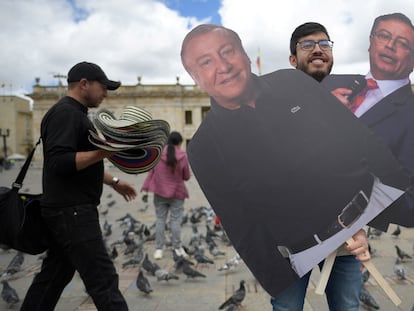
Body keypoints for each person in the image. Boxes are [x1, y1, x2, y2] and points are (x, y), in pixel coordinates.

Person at [180, 24, 407, 303]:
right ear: (195, 78)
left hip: (356, 220)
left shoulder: (293, 82)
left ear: (246, 56)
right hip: (293, 254)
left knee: (348, 305)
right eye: (206, 62)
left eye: (228, 52)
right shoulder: (204, 147)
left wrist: (376, 218)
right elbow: (242, 227)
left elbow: (360, 140)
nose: (223, 66)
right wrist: (279, 281)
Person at [267, 22, 369, 311]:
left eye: (324, 44)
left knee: (347, 308)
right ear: (292, 59)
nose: (317, 49)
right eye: (307, 44)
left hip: (346, 238)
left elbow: (368, 170)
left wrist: (363, 226)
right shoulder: (268, 107)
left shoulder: (356, 106)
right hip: (289, 242)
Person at [21, 61, 137, 311]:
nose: (105, 94)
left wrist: (114, 181)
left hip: (64, 209)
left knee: (53, 277)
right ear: (84, 84)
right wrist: (105, 150)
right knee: (103, 280)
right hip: (72, 212)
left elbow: (79, 161)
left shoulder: (72, 113)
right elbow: (59, 163)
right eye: (103, 87)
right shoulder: (67, 114)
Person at [323, 12, 414, 230]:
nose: (390, 45)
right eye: (384, 36)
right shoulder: (326, 84)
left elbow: (411, 206)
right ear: (371, 42)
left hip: (345, 236)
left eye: (402, 43)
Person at [141, 131, 190, 260]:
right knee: (175, 221)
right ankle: (177, 247)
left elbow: (151, 173)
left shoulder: (157, 154)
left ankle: (158, 249)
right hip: (177, 193)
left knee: (160, 220)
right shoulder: (183, 156)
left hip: (159, 193)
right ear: (179, 143)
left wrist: (145, 189)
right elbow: (186, 176)